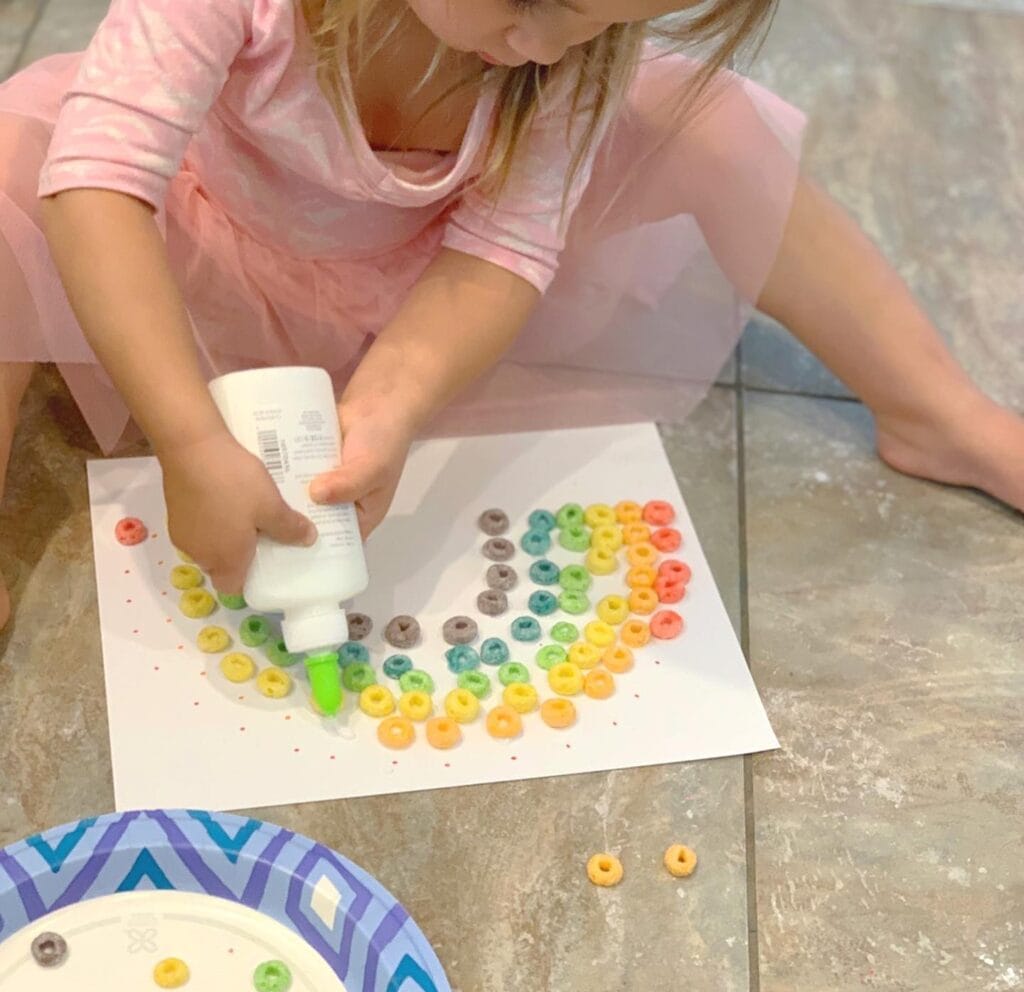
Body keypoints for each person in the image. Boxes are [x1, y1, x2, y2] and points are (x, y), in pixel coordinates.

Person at [0, 0, 1020, 628]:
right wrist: (185, 434)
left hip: (417, 289)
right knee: (16, 146)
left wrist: (392, 404)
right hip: (198, 255)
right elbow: (99, 181)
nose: (545, 45)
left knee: (708, 120)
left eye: (604, 22)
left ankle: (934, 411)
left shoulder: (568, 46)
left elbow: (502, 252)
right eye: (536, 1)